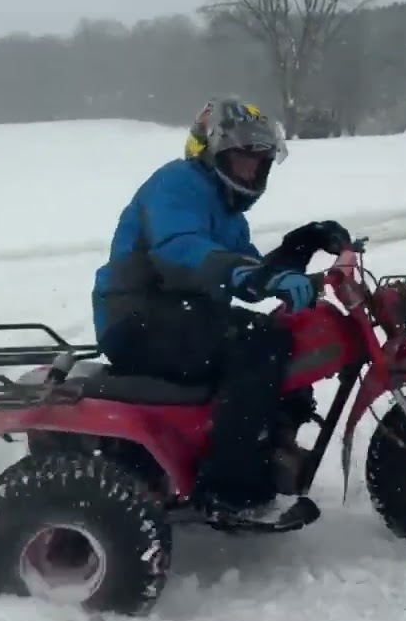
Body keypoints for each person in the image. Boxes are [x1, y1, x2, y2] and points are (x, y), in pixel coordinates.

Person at [91, 96, 348, 527]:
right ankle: (228, 490)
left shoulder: (227, 211)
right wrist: (258, 277)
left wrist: (303, 244)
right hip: (138, 316)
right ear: (213, 152)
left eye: (259, 161)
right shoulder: (178, 183)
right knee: (260, 344)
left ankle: (266, 451)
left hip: (183, 315)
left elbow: (249, 275)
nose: (252, 170)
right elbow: (182, 250)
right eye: (243, 159)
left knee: (284, 333)